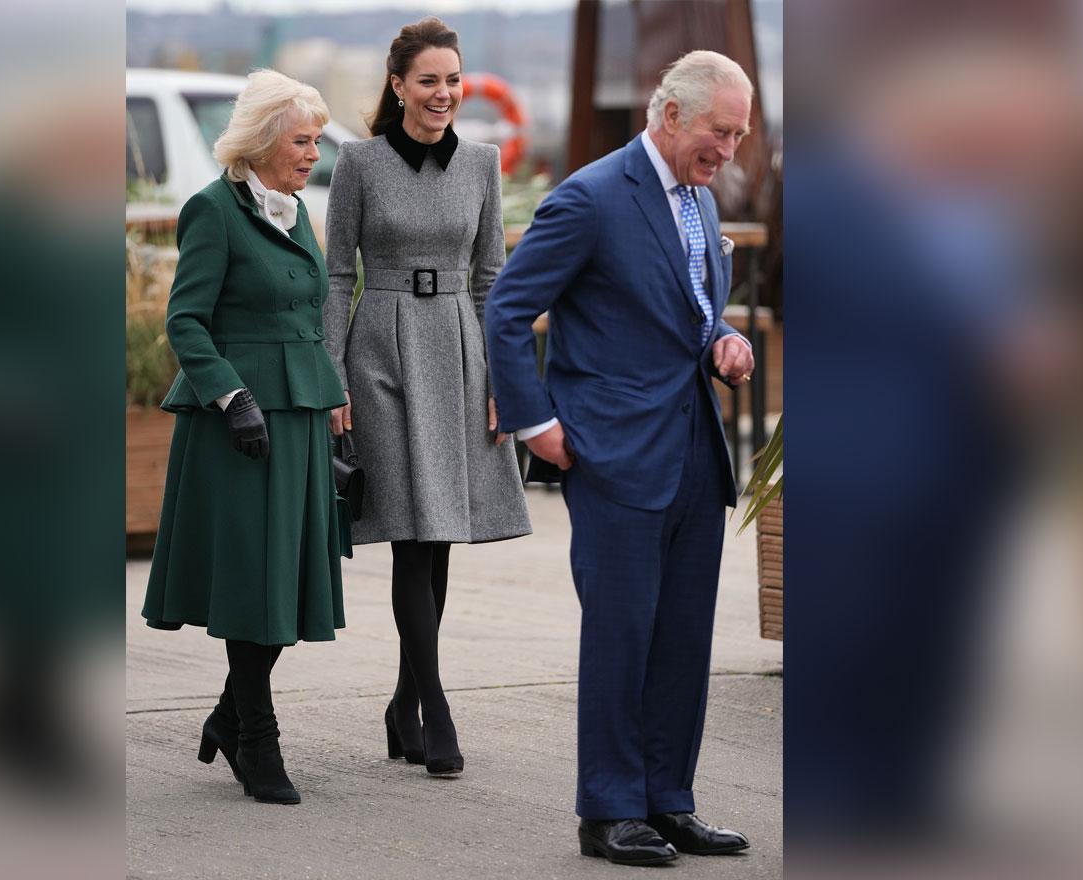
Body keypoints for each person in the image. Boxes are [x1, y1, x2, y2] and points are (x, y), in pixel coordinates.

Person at [485, 51, 757, 865]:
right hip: (611, 456)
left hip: (693, 454)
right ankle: (608, 811)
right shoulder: (591, 197)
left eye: (741, 135)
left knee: (682, 640)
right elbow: (506, 310)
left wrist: (727, 339)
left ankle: (668, 802)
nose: (730, 150)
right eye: (721, 131)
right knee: (621, 636)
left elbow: (694, 313)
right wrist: (536, 426)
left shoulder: (700, 201)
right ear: (669, 113)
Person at [323, 16, 531, 778]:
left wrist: (506, 379)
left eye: (453, 80)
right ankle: (434, 703)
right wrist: (331, 372)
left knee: (439, 534)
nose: (443, 93)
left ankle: (403, 701)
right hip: (380, 350)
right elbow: (336, 275)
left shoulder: (480, 163)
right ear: (398, 83)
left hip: (459, 348)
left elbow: (491, 280)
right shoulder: (358, 162)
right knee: (412, 530)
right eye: (429, 80)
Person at [140, 69, 349, 806]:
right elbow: (186, 320)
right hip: (241, 423)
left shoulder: (296, 210)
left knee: (288, 586)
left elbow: (309, 315)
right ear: (262, 141)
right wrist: (231, 397)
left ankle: (230, 716)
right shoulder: (212, 211)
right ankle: (257, 736)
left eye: (317, 139)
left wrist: (332, 396)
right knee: (255, 583)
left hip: (298, 416)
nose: (312, 153)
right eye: (302, 139)